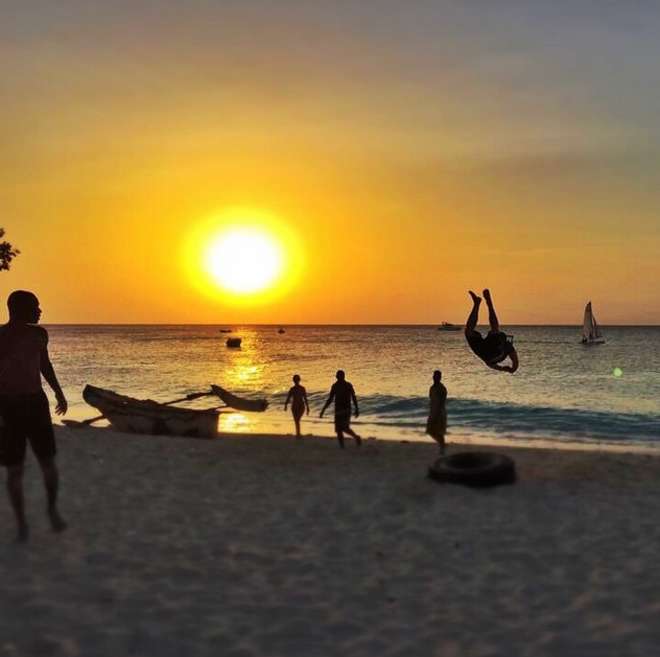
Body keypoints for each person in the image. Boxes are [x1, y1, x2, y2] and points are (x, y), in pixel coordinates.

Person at [0, 291, 68, 542]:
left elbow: (44, 366)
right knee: (14, 470)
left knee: (47, 463)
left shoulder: (40, 335)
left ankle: (51, 509)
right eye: (35, 307)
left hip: (36, 405)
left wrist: (59, 393)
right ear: (19, 309)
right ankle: (21, 523)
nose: (40, 311)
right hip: (8, 407)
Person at [465, 289, 519, 373]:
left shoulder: (505, 347)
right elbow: (515, 362)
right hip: (488, 352)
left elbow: (514, 362)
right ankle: (478, 303)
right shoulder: (506, 346)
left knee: (491, 331)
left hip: (491, 355)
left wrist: (508, 368)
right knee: (469, 331)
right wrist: (510, 368)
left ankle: (485, 304)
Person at [320, 370, 361, 448]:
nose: (339, 377)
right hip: (338, 410)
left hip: (346, 410)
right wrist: (323, 410)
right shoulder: (335, 386)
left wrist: (356, 409)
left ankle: (356, 437)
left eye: (339, 376)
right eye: (338, 376)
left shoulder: (348, 385)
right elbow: (330, 399)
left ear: (342, 376)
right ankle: (343, 446)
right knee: (339, 429)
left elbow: (353, 397)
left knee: (344, 428)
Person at [426, 370, 447, 454]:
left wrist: (437, 413)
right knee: (430, 431)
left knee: (438, 431)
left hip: (439, 413)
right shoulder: (432, 387)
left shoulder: (442, 388)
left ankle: (442, 447)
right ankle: (442, 445)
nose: (435, 377)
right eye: (434, 376)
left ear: (440, 378)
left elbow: (442, 401)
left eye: (437, 376)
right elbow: (432, 399)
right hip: (433, 411)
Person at [284, 374, 309, 438]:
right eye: (295, 380)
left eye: (297, 380)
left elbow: (305, 398)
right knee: (296, 420)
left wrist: (308, 407)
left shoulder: (302, 388)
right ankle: (298, 434)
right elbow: (289, 397)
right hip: (295, 406)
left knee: (297, 420)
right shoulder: (293, 389)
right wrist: (285, 405)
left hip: (300, 406)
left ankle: (298, 434)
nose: (296, 381)